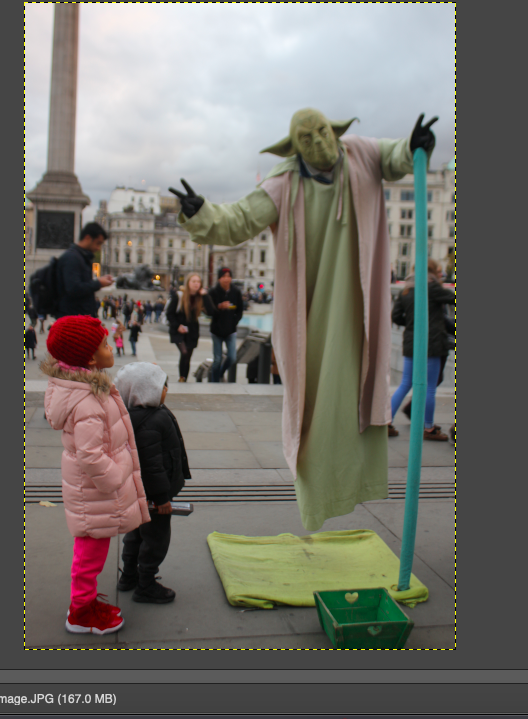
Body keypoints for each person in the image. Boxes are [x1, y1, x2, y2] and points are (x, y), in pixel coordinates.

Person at [170, 109, 437, 530]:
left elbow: (396, 157)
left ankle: (356, 482)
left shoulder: (362, 155)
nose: (317, 142)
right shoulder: (283, 182)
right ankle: (319, 496)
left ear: (334, 131)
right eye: (306, 138)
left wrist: (415, 145)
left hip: (359, 303)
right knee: (314, 404)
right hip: (310, 311)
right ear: (295, 147)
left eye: (321, 132)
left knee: (357, 394)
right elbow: (237, 219)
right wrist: (200, 212)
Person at [41, 315, 148, 636]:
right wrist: (115, 478)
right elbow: (90, 454)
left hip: (90, 490)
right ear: (89, 358)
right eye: (104, 343)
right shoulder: (87, 399)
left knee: (90, 549)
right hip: (96, 491)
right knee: (90, 553)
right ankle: (81, 611)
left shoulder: (85, 387)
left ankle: (84, 603)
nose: (111, 345)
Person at [113, 362, 191, 604]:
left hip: (135, 492)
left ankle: (129, 576)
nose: (166, 389)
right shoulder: (154, 419)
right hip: (155, 495)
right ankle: (146, 583)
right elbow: (152, 466)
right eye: (162, 386)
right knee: (156, 537)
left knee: (134, 532)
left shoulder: (127, 416)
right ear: (145, 390)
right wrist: (162, 498)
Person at [388, 259, 456, 441]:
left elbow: (396, 316)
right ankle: (428, 428)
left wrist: (412, 324)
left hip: (411, 342)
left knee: (405, 383)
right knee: (430, 388)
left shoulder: (406, 290)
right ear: (433, 272)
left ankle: (385, 421)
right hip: (432, 344)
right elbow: (453, 298)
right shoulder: (431, 288)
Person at [56, 223, 115, 318]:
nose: (98, 248)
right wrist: (99, 283)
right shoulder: (72, 258)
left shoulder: (81, 258)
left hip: (80, 319)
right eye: (98, 243)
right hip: (73, 320)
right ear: (87, 238)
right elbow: (73, 288)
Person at [205, 267, 245, 382]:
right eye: (223, 276)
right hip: (216, 330)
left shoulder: (236, 292)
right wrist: (219, 307)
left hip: (230, 330)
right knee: (217, 359)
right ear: (219, 279)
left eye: (228, 276)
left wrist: (234, 322)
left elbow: (240, 310)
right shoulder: (213, 292)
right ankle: (215, 381)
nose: (226, 279)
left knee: (232, 357)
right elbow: (209, 312)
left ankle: (221, 373)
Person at [166, 273, 205, 383]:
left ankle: (184, 378)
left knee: (188, 355)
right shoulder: (179, 296)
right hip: (178, 331)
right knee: (184, 352)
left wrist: (205, 296)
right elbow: (170, 314)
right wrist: (177, 326)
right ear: (188, 283)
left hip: (192, 332)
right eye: (193, 281)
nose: (196, 284)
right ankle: (182, 377)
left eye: (198, 282)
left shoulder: (200, 298)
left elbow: (210, 311)